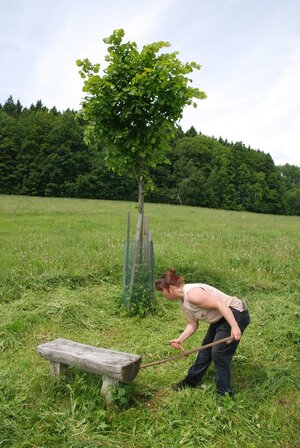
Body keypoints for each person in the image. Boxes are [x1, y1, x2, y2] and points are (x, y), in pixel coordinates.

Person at [155, 269, 250, 397]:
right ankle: (190, 381)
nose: (163, 295)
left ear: (170, 288)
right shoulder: (183, 301)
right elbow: (192, 324)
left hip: (234, 313)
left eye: (163, 291)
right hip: (220, 319)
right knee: (205, 351)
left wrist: (234, 326)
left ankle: (225, 394)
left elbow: (219, 304)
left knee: (219, 353)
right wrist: (180, 339)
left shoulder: (193, 294)